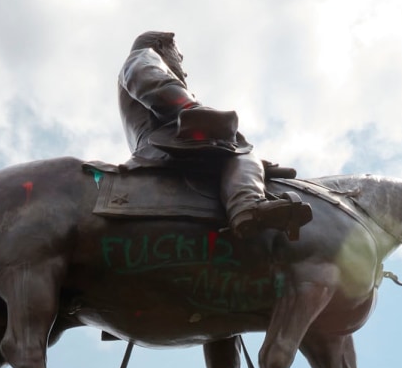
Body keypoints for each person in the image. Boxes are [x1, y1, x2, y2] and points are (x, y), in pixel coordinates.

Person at [118, 30, 311, 238]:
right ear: (162, 44)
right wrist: (192, 108)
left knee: (239, 152)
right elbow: (151, 81)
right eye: (179, 57)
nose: (184, 70)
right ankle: (248, 204)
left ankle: (246, 175)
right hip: (162, 149)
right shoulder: (144, 55)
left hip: (160, 147)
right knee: (241, 153)